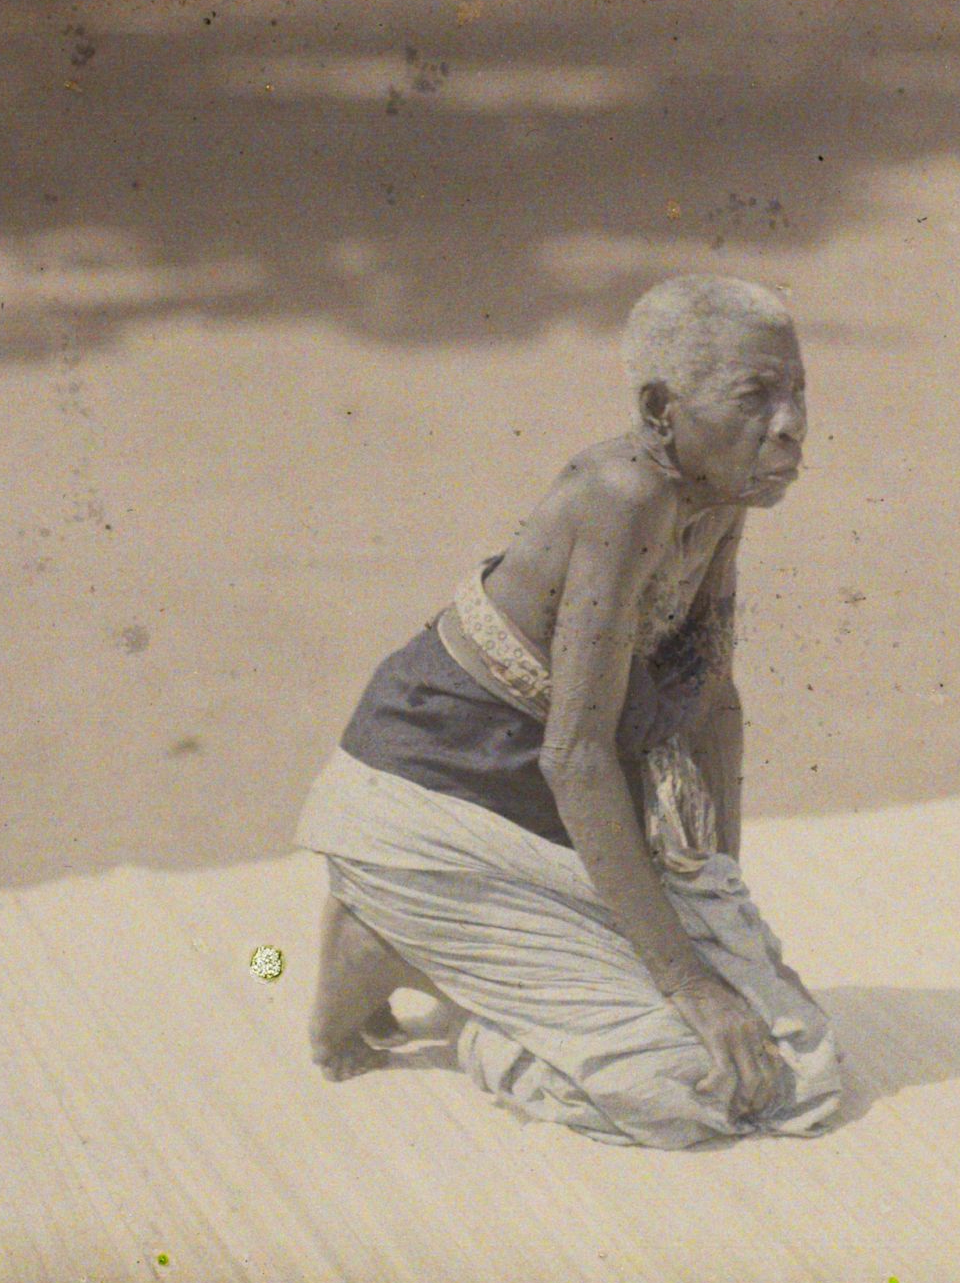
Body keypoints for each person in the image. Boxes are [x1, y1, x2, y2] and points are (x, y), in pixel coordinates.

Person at [293, 274, 842, 1149]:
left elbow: (712, 704)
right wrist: (689, 981)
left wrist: (718, 906)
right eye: (755, 396)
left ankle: (463, 955)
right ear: (662, 410)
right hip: (434, 794)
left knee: (798, 1066)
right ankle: (391, 945)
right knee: (687, 1085)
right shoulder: (618, 498)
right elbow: (577, 754)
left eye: (797, 392)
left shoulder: (721, 488)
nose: (790, 425)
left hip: (549, 800)